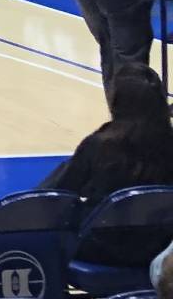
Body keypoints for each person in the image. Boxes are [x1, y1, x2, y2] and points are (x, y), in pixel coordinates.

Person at [41, 65, 173, 209]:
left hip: (104, 229)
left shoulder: (98, 146)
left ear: (117, 102)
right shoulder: (167, 142)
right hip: (160, 227)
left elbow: (57, 191)